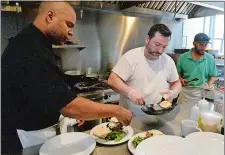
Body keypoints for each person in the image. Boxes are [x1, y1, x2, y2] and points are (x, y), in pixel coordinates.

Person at [2, 2, 132, 153]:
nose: (71, 32)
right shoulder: (28, 49)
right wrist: (116, 110)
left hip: (38, 131)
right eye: (69, 25)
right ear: (50, 16)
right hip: (27, 138)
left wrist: (71, 114)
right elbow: (69, 106)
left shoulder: (37, 43)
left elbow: (44, 94)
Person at [107, 24, 182, 116]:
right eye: (157, 44)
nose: (160, 51)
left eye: (164, 47)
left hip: (158, 115)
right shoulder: (131, 57)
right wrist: (130, 92)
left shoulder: (168, 61)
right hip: (131, 116)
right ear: (147, 39)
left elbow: (176, 83)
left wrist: (174, 92)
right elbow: (112, 80)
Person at [176, 33, 217, 105]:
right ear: (194, 43)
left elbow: (213, 76)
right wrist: (180, 78)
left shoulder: (210, 58)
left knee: (200, 114)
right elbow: (177, 72)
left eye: (205, 44)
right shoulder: (183, 57)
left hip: (203, 91)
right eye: (201, 44)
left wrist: (208, 85)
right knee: (183, 114)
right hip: (186, 91)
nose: (203, 47)